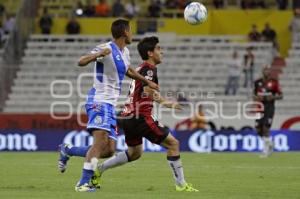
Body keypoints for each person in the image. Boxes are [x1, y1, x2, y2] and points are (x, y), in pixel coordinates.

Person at [58, 19, 159, 192]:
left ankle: (68, 150)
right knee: (99, 144)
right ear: (125, 32)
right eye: (131, 31)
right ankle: (82, 183)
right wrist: (97, 55)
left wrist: (145, 81)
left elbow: (129, 71)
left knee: (109, 150)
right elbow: (81, 61)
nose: (132, 34)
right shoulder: (107, 48)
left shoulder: (125, 52)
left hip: (110, 105)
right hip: (99, 101)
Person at [91, 36, 199, 192]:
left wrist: (164, 101)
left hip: (129, 117)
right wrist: (165, 102)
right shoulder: (149, 69)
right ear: (150, 53)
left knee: (135, 153)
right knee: (173, 144)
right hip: (141, 116)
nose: (161, 51)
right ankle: (181, 185)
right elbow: (147, 90)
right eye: (158, 48)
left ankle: (99, 170)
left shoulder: (141, 68)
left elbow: (143, 90)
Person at [253, 66, 283, 158]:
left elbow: (281, 95)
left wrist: (273, 97)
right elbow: (254, 94)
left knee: (266, 128)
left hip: (269, 108)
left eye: (268, 69)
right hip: (260, 108)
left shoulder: (274, 82)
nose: (267, 71)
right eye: (265, 69)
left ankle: (265, 151)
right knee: (258, 129)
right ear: (262, 71)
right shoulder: (257, 82)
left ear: (270, 71)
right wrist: (256, 97)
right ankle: (269, 143)